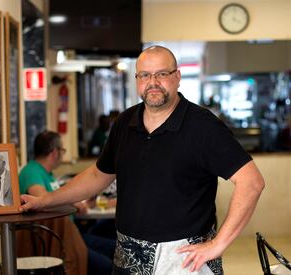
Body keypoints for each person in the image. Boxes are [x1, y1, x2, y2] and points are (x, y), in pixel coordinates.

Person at [20, 46, 265, 275]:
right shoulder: (125, 123)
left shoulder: (204, 126)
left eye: (162, 74)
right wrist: (45, 201)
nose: (153, 83)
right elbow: (98, 175)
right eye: (145, 75)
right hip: (128, 256)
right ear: (137, 80)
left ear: (177, 76)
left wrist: (218, 245)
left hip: (184, 260)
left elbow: (251, 182)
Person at [19, 130, 115, 275]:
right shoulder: (31, 172)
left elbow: (56, 202)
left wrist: (83, 204)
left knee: (113, 248)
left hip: (71, 232)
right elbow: (42, 199)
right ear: (55, 152)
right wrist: (73, 203)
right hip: (56, 239)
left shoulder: (48, 174)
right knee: (107, 266)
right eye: (63, 150)